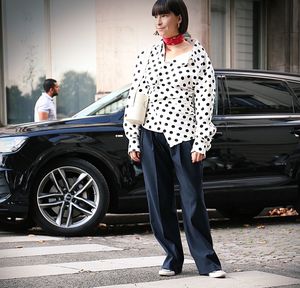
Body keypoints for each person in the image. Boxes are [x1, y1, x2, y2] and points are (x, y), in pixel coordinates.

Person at [123, 0, 226, 279]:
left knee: (193, 201)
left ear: (179, 18)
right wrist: (133, 139)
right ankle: (171, 257)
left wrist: (202, 140)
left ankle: (207, 261)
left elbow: (205, 101)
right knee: (159, 200)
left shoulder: (198, 55)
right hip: (151, 134)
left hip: (185, 136)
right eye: (155, 16)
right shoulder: (146, 55)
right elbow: (136, 98)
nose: (158, 22)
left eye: (164, 15)